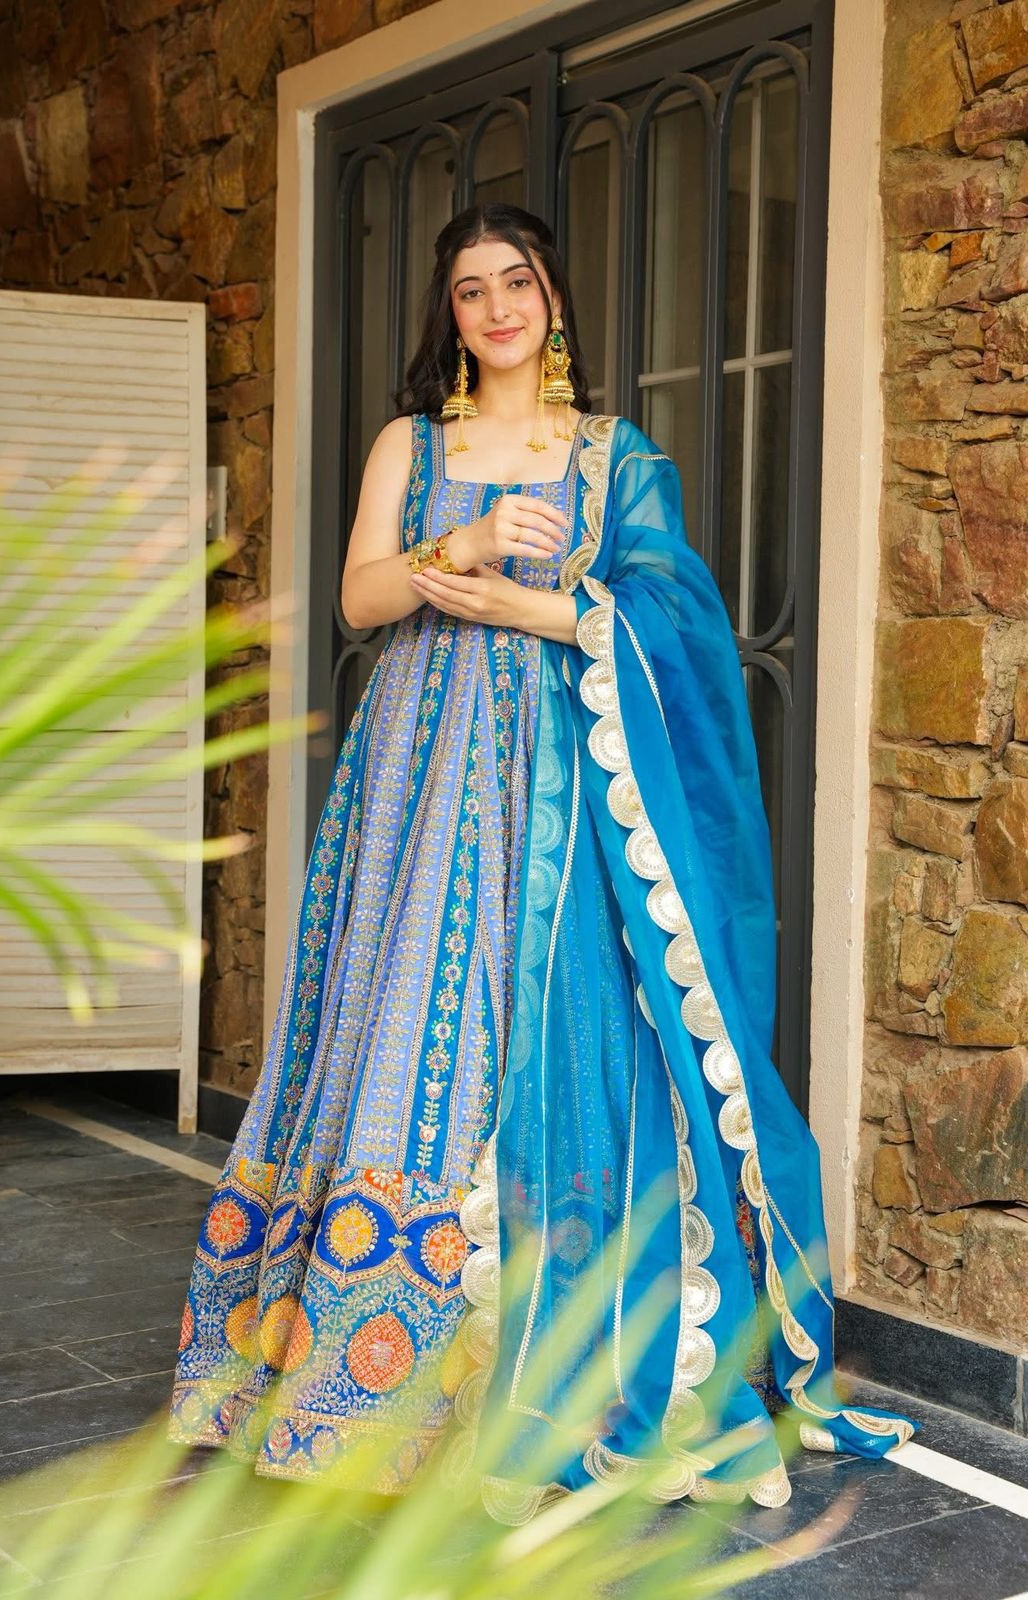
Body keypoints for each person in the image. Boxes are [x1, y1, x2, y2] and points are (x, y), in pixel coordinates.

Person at [168, 202, 915, 1523]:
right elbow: (357, 602)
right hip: (414, 788)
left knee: (568, 1046)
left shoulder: (618, 457)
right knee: (397, 1035)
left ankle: (555, 1368)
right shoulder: (414, 444)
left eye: (518, 283)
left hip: (570, 799)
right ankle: (360, 1375)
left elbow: (675, 614)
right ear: (448, 315)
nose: (498, 307)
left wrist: (538, 605)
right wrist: (454, 548)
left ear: (554, 301)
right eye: (470, 290)